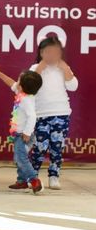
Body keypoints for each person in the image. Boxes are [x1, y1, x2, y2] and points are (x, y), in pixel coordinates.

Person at [30, 36, 78, 189]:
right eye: (48, 52)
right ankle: (33, 176)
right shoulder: (35, 68)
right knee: (39, 147)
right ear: (41, 53)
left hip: (61, 113)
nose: (52, 55)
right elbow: (30, 85)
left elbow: (73, 86)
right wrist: (40, 67)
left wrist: (64, 68)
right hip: (41, 114)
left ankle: (54, 176)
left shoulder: (62, 68)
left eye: (55, 52)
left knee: (57, 148)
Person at [0, 67, 44, 194]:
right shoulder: (22, 93)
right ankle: (22, 181)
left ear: (22, 87)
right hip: (20, 133)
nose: (16, 82)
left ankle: (34, 179)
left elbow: (32, 116)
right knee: (20, 157)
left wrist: (27, 133)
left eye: (19, 81)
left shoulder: (26, 100)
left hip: (23, 135)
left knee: (20, 158)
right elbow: (11, 82)